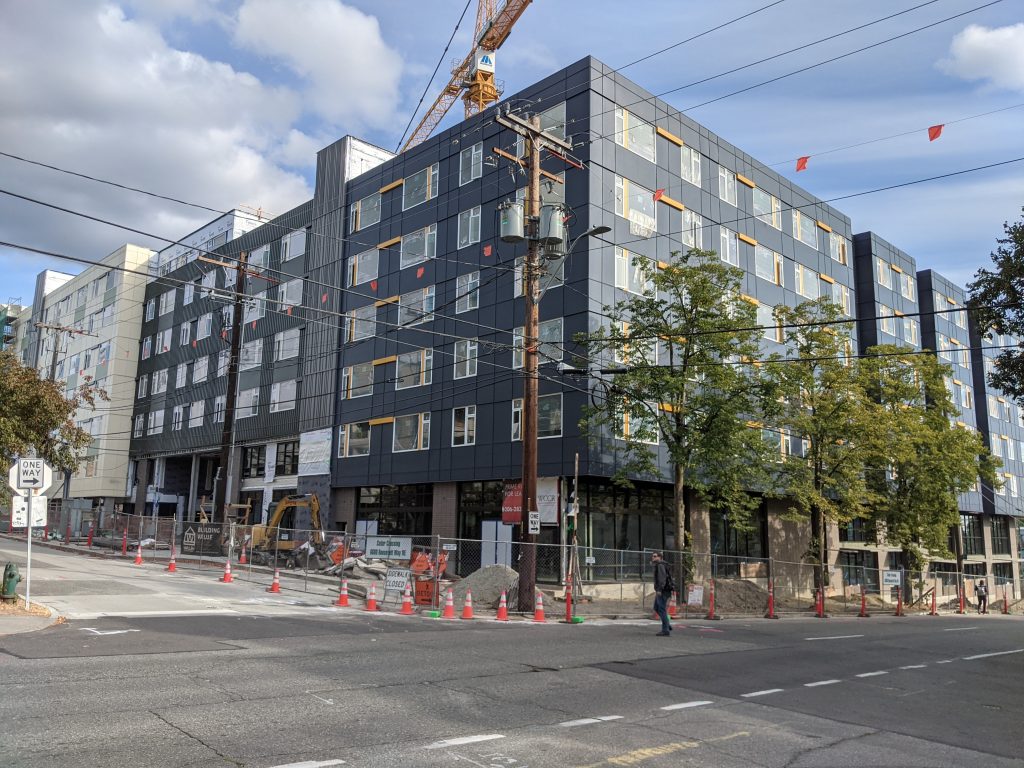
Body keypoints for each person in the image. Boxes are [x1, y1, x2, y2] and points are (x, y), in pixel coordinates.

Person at [651, 551, 674, 636]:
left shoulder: (660, 565)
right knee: (656, 607)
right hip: (662, 590)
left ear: (659, 557)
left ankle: (665, 630)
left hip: (663, 590)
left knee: (661, 608)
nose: (653, 558)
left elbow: (662, 579)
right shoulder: (660, 565)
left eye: (654, 556)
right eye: (652, 556)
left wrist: (660, 590)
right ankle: (667, 624)